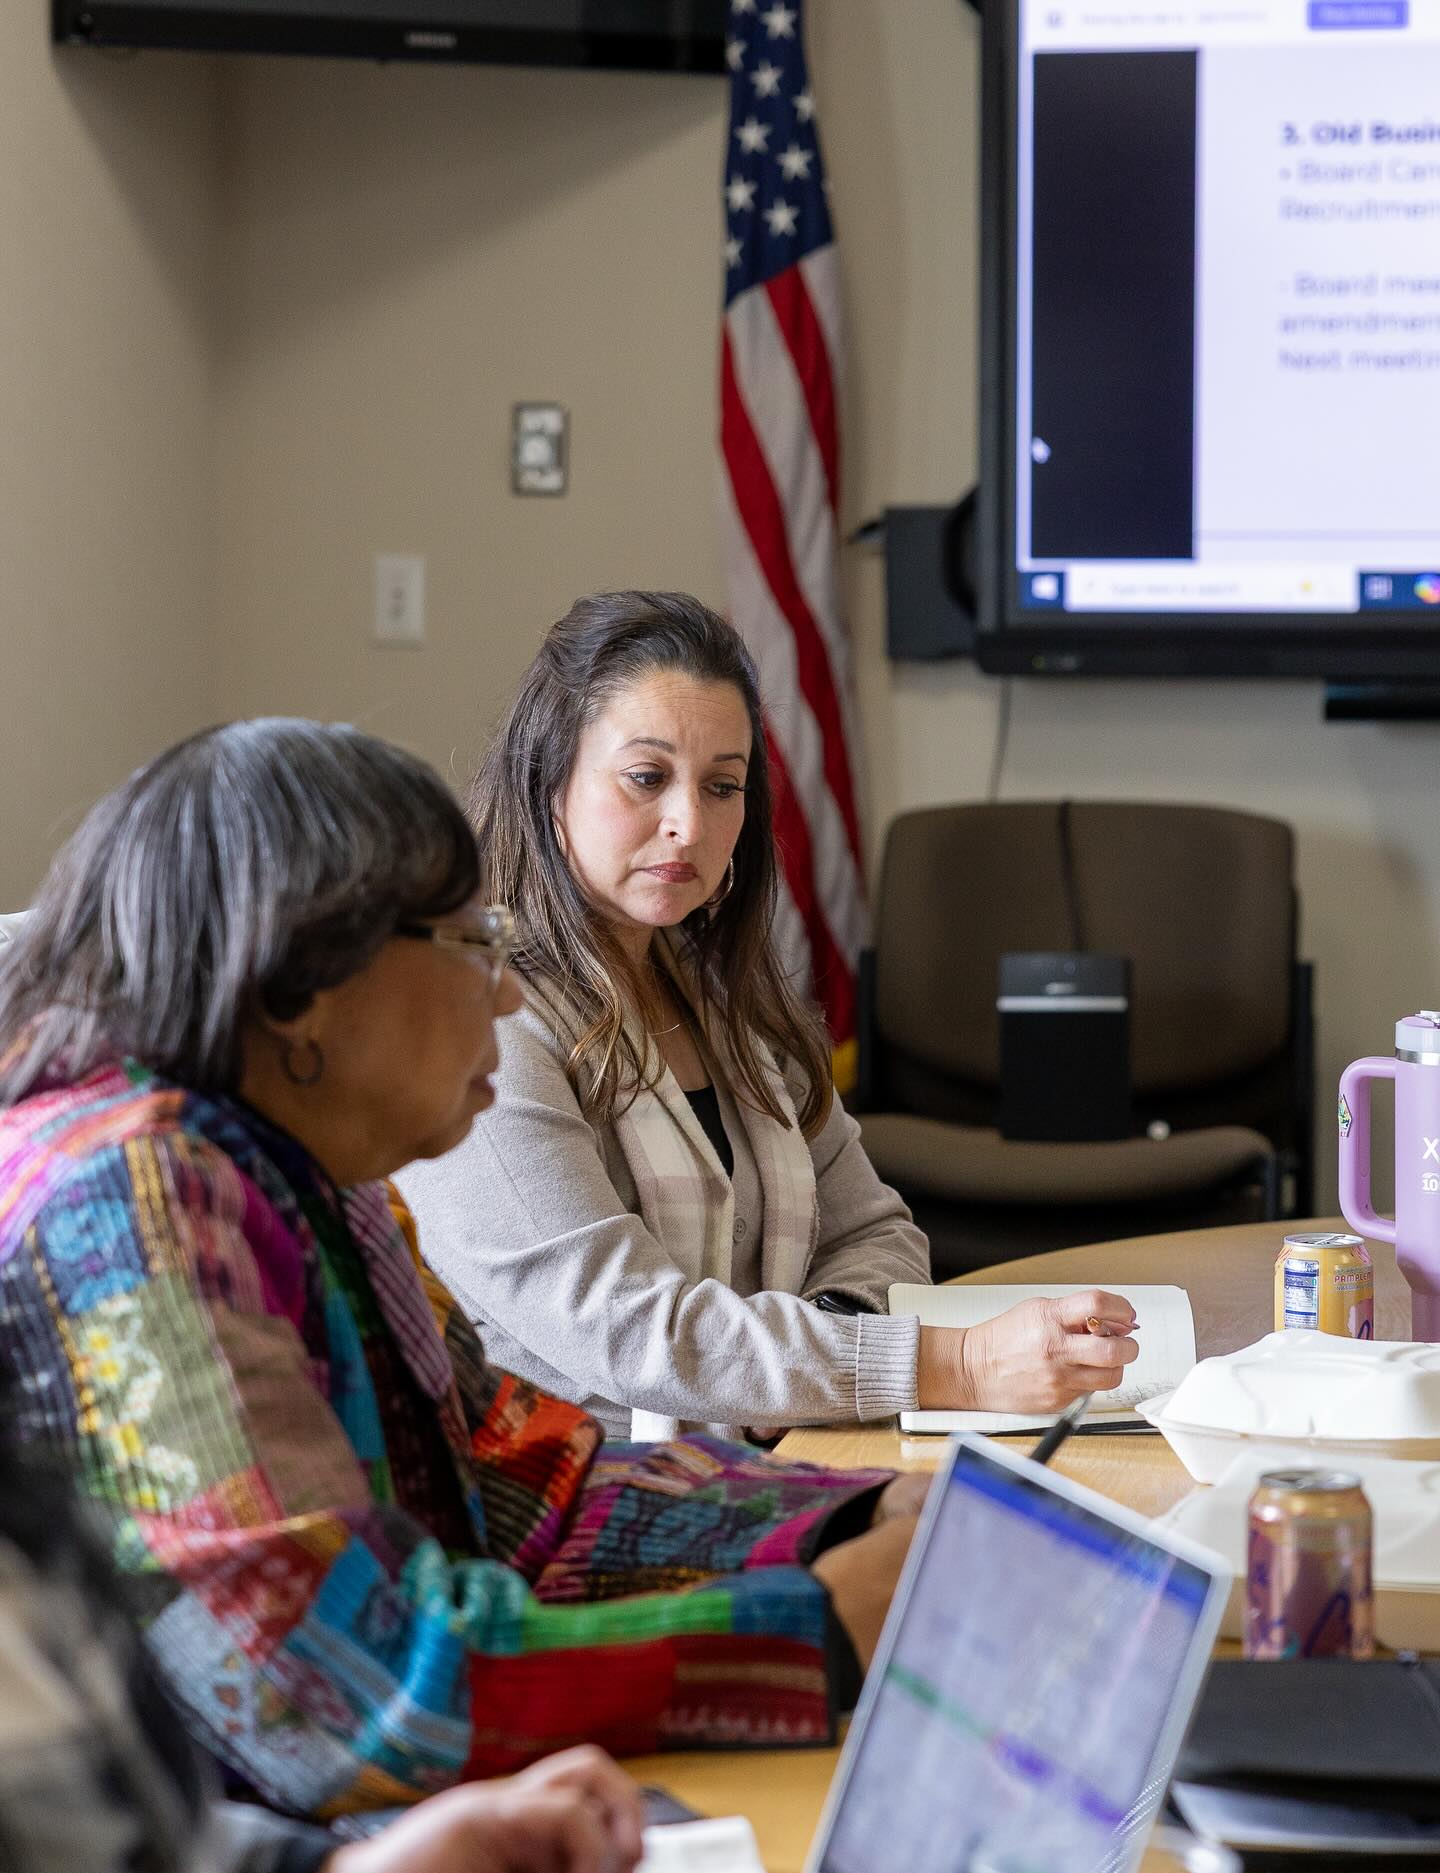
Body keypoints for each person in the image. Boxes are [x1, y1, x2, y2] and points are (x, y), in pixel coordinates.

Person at [0, 718, 920, 1829]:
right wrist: (808, 1628)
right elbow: (345, 1694)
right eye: (475, 942)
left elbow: (518, 1491)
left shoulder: (310, 1166)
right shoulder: (132, 1201)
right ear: (301, 984)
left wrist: (851, 1518)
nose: (508, 993)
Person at [397, 592, 1139, 1441]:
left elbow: (877, 1228)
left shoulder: (721, 999)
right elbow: (634, 1330)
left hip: (780, 1453)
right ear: (548, 780)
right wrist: (956, 1364)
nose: (688, 824)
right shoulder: (483, 1025)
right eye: (646, 778)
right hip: (585, 1504)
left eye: (723, 786)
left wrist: (806, 1356)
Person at [0, 1364, 645, 1873]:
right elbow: (392, 1706)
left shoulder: (29, 1513)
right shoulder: (134, 1216)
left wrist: (347, 1867)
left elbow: (153, 1838)